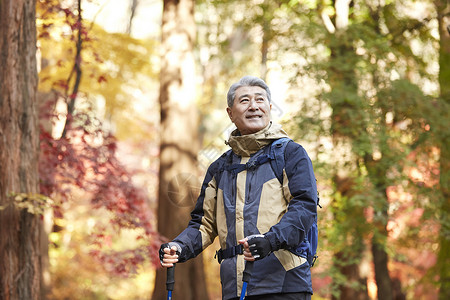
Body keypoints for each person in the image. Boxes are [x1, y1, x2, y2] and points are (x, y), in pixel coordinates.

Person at [159, 75, 318, 300]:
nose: (254, 106)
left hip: (285, 286)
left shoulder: (291, 154)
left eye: (260, 100)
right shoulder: (219, 167)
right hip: (234, 287)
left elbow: (304, 208)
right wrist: (179, 246)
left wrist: (269, 240)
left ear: (270, 108)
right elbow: (203, 224)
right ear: (230, 113)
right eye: (244, 101)